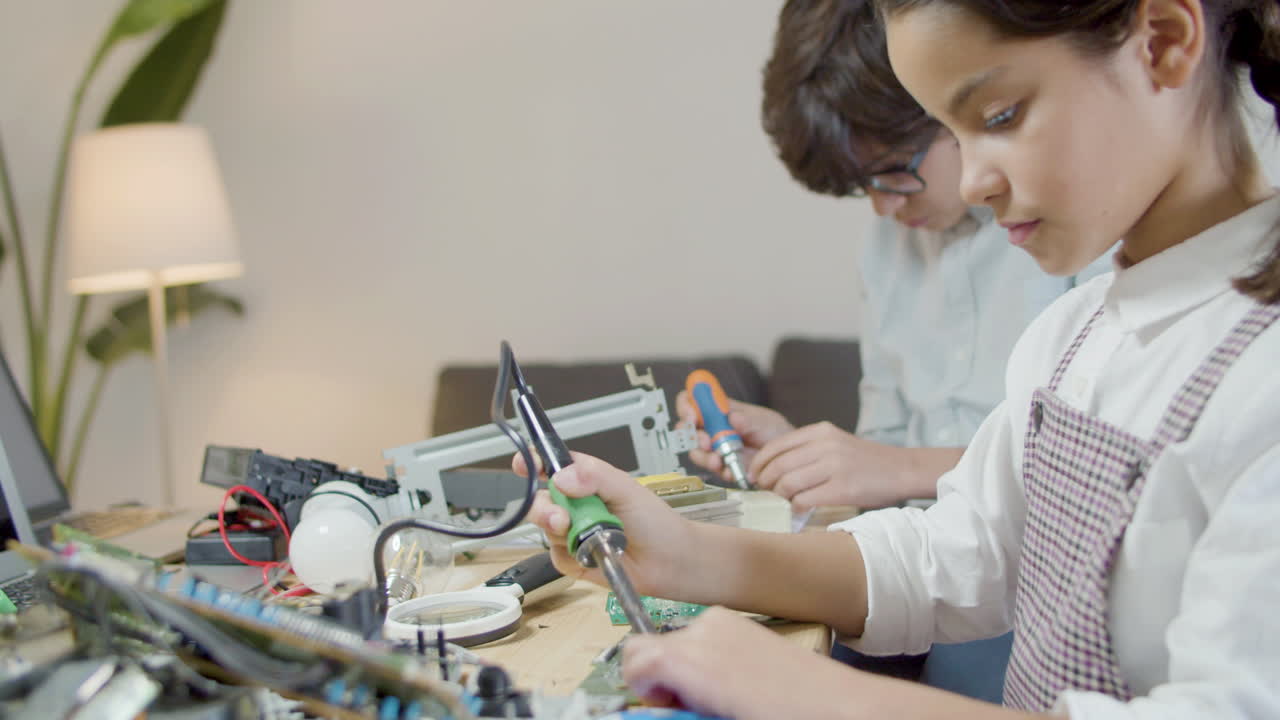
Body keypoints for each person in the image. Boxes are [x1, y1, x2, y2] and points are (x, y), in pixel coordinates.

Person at [526, 0, 1280, 717]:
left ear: (1164, 42)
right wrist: (685, 553)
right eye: (957, 130)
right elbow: (957, 555)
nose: (978, 181)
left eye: (1000, 116)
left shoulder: (1257, 371)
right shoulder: (1072, 336)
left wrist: (823, 698)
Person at [679, 0, 1108, 514]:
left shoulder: (1074, 220)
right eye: (864, 186)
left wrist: (895, 469)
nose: (884, 206)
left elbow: (1102, 455)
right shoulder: (884, 251)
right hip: (919, 555)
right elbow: (881, 450)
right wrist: (798, 457)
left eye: (894, 169)